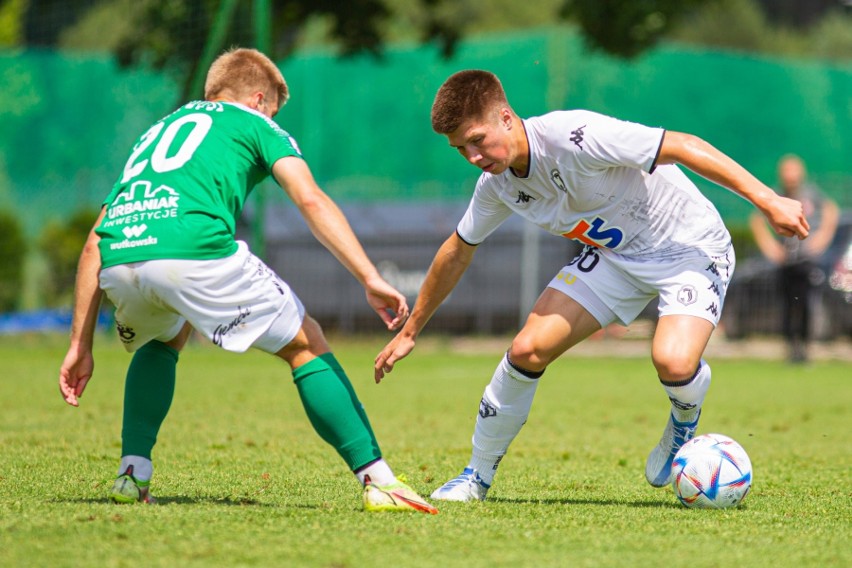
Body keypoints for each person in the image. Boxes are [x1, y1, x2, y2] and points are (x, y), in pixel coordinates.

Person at [374, 70, 810, 502]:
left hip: (688, 246)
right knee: (527, 349)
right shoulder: (497, 186)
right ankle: (476, 477)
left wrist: (768, 199)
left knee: (674, 363)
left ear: (505, 117)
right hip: (616, 258)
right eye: (460, 149)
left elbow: (682, 145)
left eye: (477, 140)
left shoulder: (574, 136)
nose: (472, 156)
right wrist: (411, 331)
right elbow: (458, 249)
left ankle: (683, 419)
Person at [58, 47, 437, 514]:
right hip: (192, 252)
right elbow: (311, 200)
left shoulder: (153, 134)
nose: (273, 117)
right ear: (258, 99)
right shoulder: (254, 123)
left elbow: (95, 240)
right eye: (273, 110)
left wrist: (80, 344)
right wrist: (369, 276)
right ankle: (379, 481)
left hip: (122, 260)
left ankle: (132, 473)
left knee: (165, 336)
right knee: (307, 344)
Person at [750, 154, 839, 363]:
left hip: (807, 260)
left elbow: (831, 210)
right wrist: (770, 248)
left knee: (807, 302)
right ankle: (791, 349)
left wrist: (822, 238)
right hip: (786, 261)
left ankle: (805, 348)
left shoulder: (810, 194)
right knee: (787, 304)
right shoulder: (777, 195)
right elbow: (756, 219)